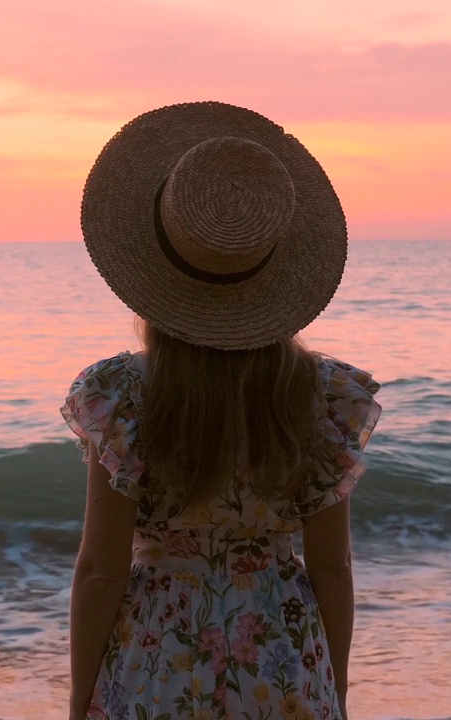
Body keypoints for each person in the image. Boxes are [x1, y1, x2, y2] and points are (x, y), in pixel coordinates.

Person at [62, 102, 381, 720]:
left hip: (160, 652)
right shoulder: (321, 397)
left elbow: (101, 571)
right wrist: (332, 692)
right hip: (283, 653)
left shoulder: (123, 393)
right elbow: (333, 567)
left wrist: (80, 704)